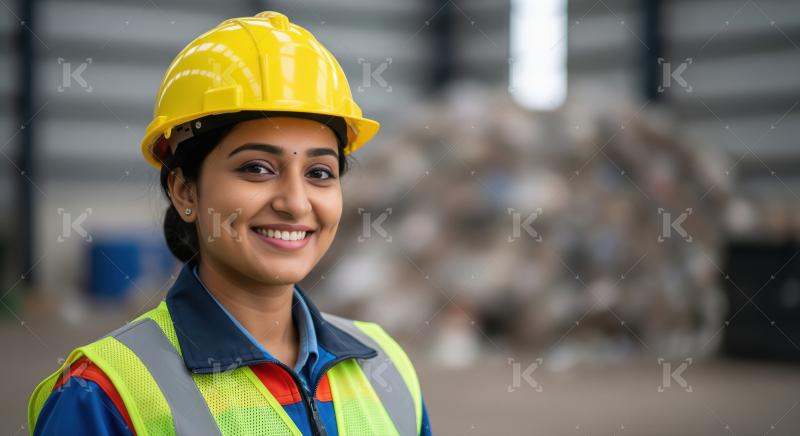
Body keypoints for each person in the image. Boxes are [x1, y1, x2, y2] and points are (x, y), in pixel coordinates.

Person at [28, 11, 432, 436]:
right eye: (257, 168)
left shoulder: (386, 368)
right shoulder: (103, 395)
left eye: (319, 173)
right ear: (185, 191)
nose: (296, 204)